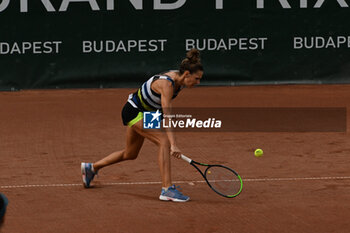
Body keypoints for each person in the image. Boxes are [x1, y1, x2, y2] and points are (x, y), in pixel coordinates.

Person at [81, 49, 203, 202]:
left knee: (130, 153)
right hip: (134, 111)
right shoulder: (167, 84)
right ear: (186, 74)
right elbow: (168, 115)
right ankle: (167, 189)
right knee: (164, 142)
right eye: (197, 79)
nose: (198, 82)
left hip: (148, 112)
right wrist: (173, 144)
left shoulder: (180, 81)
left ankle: (91, 168)